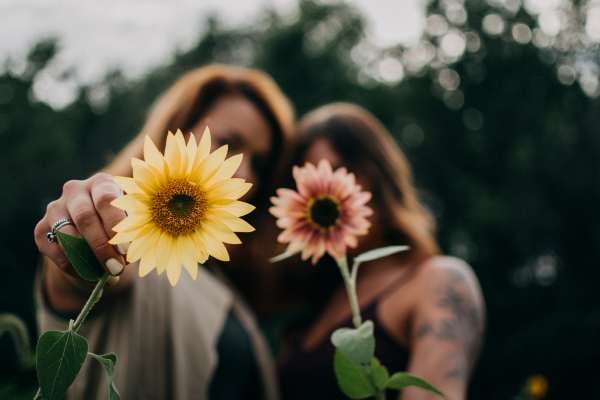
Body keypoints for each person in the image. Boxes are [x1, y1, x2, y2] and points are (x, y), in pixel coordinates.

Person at [33, 64, 294, 400]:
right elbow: (96, 276)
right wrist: (78, 240)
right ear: (177, 130)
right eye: (229, 142)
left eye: (258, 163)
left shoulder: (218, 276)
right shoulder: (128, 239)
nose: (243, 172)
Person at [277, 103, 485, 400]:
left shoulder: (437, 283)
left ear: (379, 176)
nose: (324, 195)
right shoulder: (314, 308)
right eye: (304, 186)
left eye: (340, 173)